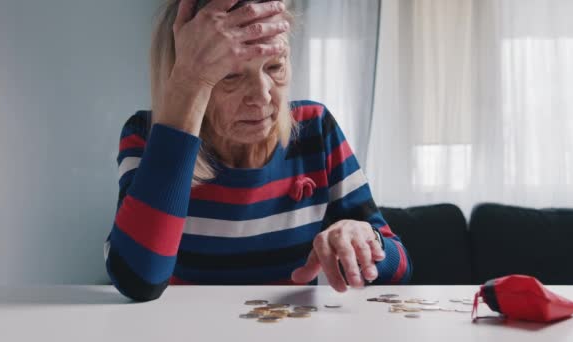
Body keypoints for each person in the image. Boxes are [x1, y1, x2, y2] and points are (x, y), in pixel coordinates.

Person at [104, 0, 412, 302]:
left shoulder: (316, 129)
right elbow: (138, 279)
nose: (262, 96)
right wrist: (187, 85)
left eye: (275, 66)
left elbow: (400, 268)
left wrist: (365, 241)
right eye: (230, 75)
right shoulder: (148, 135)